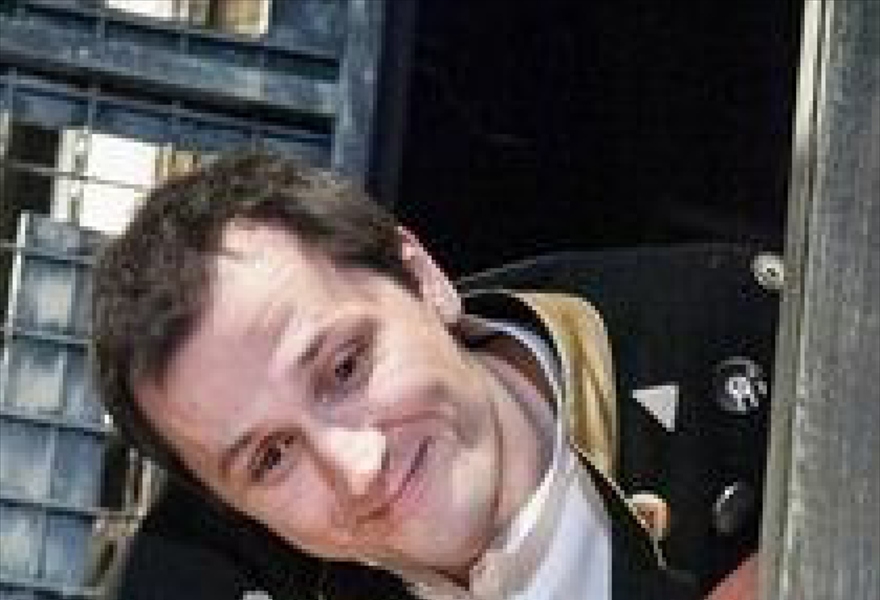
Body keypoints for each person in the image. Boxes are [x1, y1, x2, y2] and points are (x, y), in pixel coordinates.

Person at [91, 150, 778, 599]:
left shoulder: (732, 337)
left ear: (422, 280)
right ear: (234, 510)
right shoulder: (215, 574)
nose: (358, 468)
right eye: (272, 458)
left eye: (345, 368)